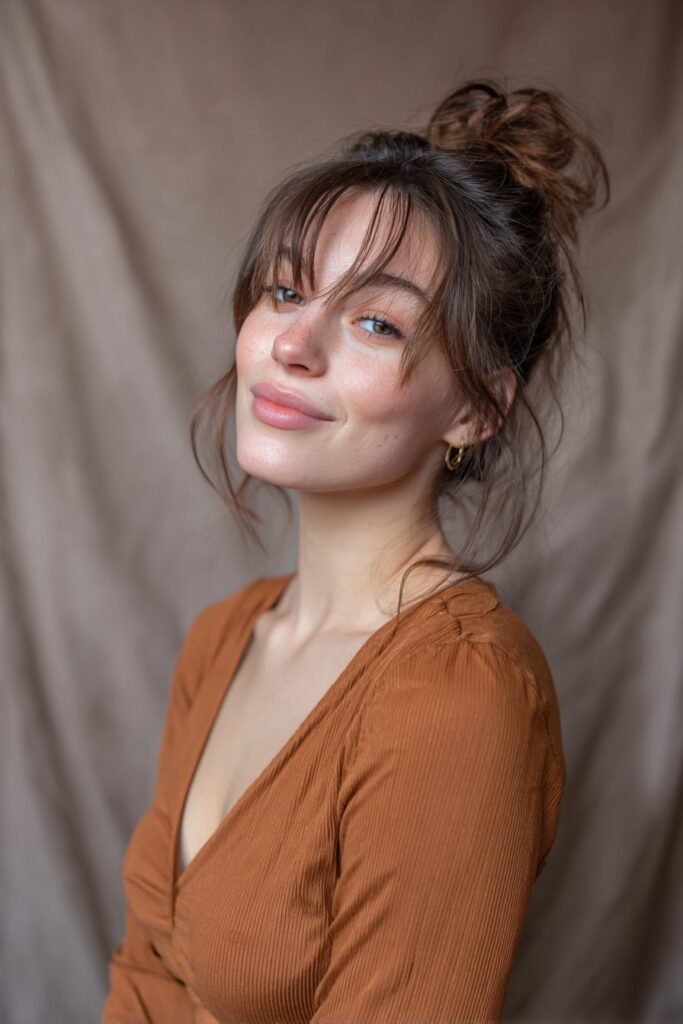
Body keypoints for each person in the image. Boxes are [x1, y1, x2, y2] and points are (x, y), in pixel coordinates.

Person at [102, 76, 609, 1023]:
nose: (293, 343)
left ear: (476, 407)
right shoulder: (226, 638)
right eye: (286, 289)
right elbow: (144, 981)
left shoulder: (459, 694)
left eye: (376, 320)